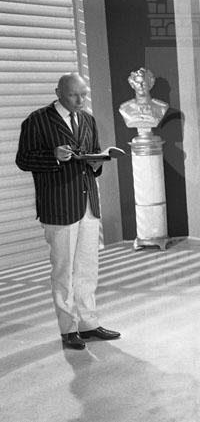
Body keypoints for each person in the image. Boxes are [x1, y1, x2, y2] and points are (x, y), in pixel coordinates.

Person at [15, 73, 121, 350]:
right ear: (58, 92)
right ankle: (68, 329)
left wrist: (98, 162)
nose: (80, 100)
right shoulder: (37, 120)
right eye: (74, 95)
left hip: (88, 205)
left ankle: (88, 324)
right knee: (63, 272)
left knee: (88, 268)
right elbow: (23, 160)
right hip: (58, 206)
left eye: (83, 94)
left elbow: (92, 154)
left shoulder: (87, 119)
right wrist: (53, 156)